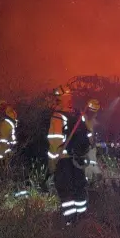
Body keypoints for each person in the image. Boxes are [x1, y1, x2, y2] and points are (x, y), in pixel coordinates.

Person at [48, 85, 88, 225]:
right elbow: (87, 136)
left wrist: (52, 163)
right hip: (77, 159)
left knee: (65, 189)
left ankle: (70, 221)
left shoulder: (57, 116)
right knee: (78, 187)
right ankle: (82, 218)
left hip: (63, 160)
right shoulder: (77, 115)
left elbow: (54, 142)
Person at [83, 99, 102, 183]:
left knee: (89, 162)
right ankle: (94, 175)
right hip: (87, 146)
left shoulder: (88, 119)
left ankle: (89, 180)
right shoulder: (86, 119)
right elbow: (88, 131)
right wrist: (92, 142)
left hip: (89, 146)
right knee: (89, 162)